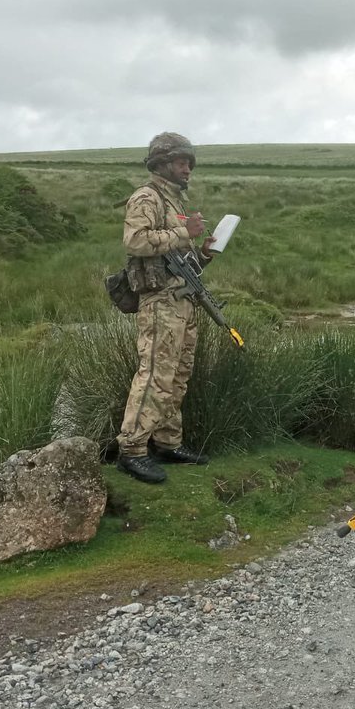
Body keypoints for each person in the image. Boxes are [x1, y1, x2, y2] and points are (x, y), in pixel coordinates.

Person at [115, 132, 218, 484]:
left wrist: (202, 252)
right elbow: (135, 240)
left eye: (189, 163)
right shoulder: (147, 197)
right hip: (159, 302)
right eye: (180, 162)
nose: (187, 168)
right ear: (161, 164)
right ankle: (131, 450)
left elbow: (175, 257)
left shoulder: (175, 202)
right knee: (156, 372)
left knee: (177, 375)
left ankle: (167, 442)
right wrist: (183, 232)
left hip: (182, 300)